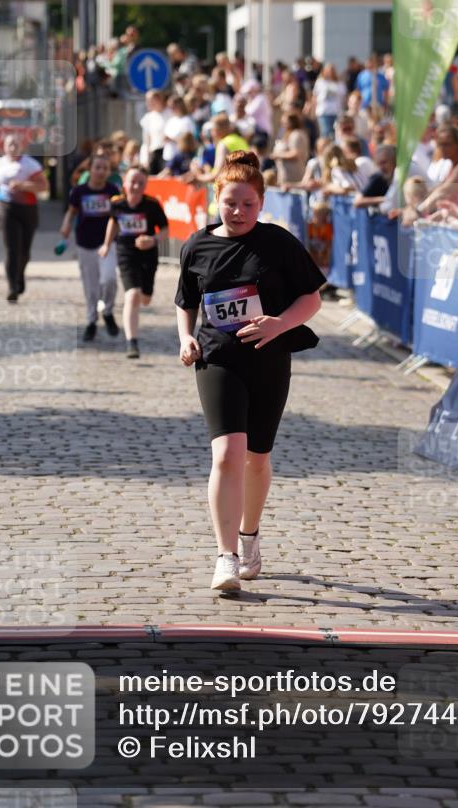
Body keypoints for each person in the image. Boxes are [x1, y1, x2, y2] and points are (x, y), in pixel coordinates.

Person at [175, 151, 325, 593]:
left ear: (261, 205)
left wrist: (281, 323)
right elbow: (186, 302)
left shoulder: (278, 243)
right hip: (217, 357)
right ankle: (226, 557)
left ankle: (249, 535)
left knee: (258, 457)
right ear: (215, 198)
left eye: (248, 205)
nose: (238, 212)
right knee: (227, 454)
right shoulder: (197, 246)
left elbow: (312, 298)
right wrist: (186, 338)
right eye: (230, 203)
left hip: (269, 358)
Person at [99, 166, 169, 359]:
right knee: (132, 295)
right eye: (132, 181)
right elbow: (113, 222)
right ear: (124, 183)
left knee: (145, 298)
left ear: (146, 184)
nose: (135, 186)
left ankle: (145, 295)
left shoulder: (152, 205)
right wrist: (106, 245)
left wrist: (152, 240)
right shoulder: (117, 203)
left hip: (148, 255)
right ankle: (132, 342)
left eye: (140, 182)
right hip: (125, 253)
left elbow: (165, 229)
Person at [60, 152, 120, 342]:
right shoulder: (79, 191)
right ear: (90, 169)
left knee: (109, 278)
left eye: (105, 168)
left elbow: (119, 215)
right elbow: (72, 211)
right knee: (91, 287)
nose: (101, 171)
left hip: (107, 243)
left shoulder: (113, 190)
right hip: (85, 243)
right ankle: (91, 321)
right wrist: (66, 224)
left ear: (109, 171)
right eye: (98, 167)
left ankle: (108, 311)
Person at [0, 135, 48, 301]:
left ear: (22, 146)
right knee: (11, 249)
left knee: (24, 251)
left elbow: (44, 186)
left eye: (16, 144)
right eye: (9, 144)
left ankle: (20, 275)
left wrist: (24, 185)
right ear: (4, 147)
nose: (12, 147)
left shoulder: (30, 165)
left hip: (28, 209)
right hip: (6, 208)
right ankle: (12, 287)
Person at [272, 112, 309, 187]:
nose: (282, 124)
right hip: (284, 176)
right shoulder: (286, 134)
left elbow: (296, 153)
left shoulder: (297, 134)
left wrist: (278, 155)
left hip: (294, 178)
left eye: (285, 121)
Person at [312, 63, 346, 138]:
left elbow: (343, 98)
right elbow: (314, 97)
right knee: (326, 133)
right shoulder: (320, 82)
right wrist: (313, 111)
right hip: (324, 112)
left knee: (336, 134)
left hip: (336, 112)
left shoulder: (339, 83)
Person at [139, 89, 168, 174]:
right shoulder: (148, 118)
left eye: (151, 100)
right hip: (154, 153)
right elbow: (146, 140)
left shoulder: (170, 113)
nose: (148, 103)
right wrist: (145, 158)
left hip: (167, 152)